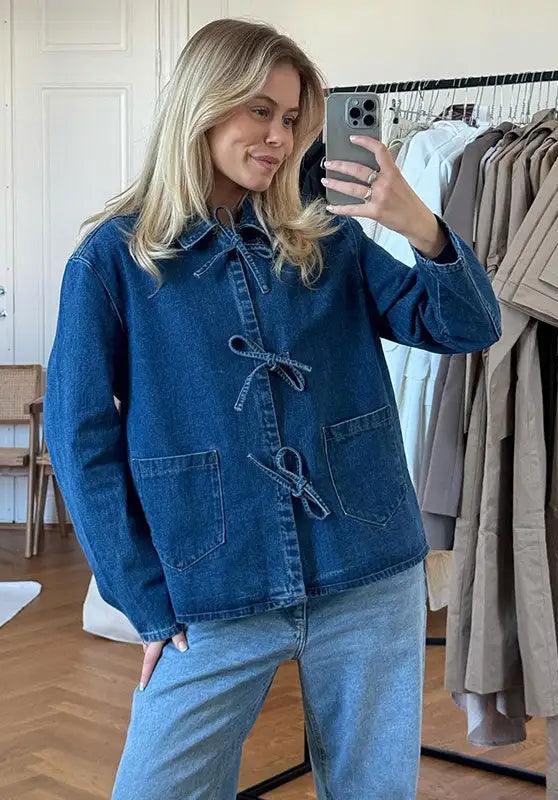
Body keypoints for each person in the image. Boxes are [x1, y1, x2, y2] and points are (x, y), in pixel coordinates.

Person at [44, 17, 501, 800]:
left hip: (366, 569)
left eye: (292, 119)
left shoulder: (327, 239)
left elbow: (467, 326)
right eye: (260, 111)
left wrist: (415, 223)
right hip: (210, 586)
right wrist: (143, 600)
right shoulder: (112, 262)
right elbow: (80, 440)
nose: (280, 138)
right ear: (203, 105)